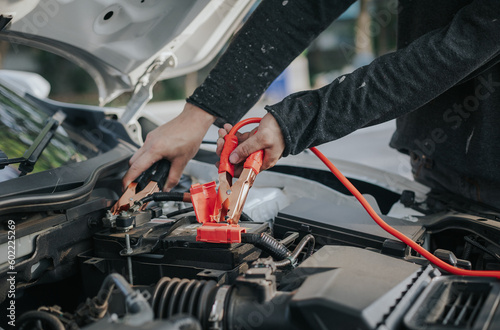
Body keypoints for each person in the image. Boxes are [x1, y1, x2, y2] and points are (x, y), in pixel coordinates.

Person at [123, 0, 500, 208]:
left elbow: (465, 44)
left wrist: (294, 122)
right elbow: (303, 7)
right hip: (441, 172)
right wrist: (199, 114)